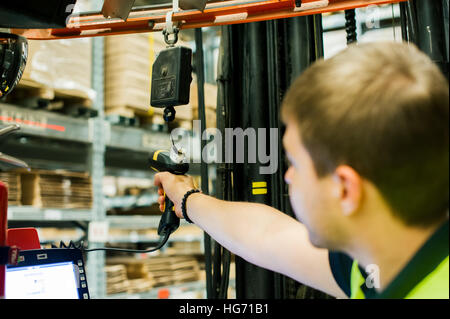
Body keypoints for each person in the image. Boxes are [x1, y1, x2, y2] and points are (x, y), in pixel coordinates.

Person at [153, 42, 449, 299]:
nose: (288, 176)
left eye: (295, 163)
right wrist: (187, 198)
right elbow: (264, 235)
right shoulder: (378, 261)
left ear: (345, 189)